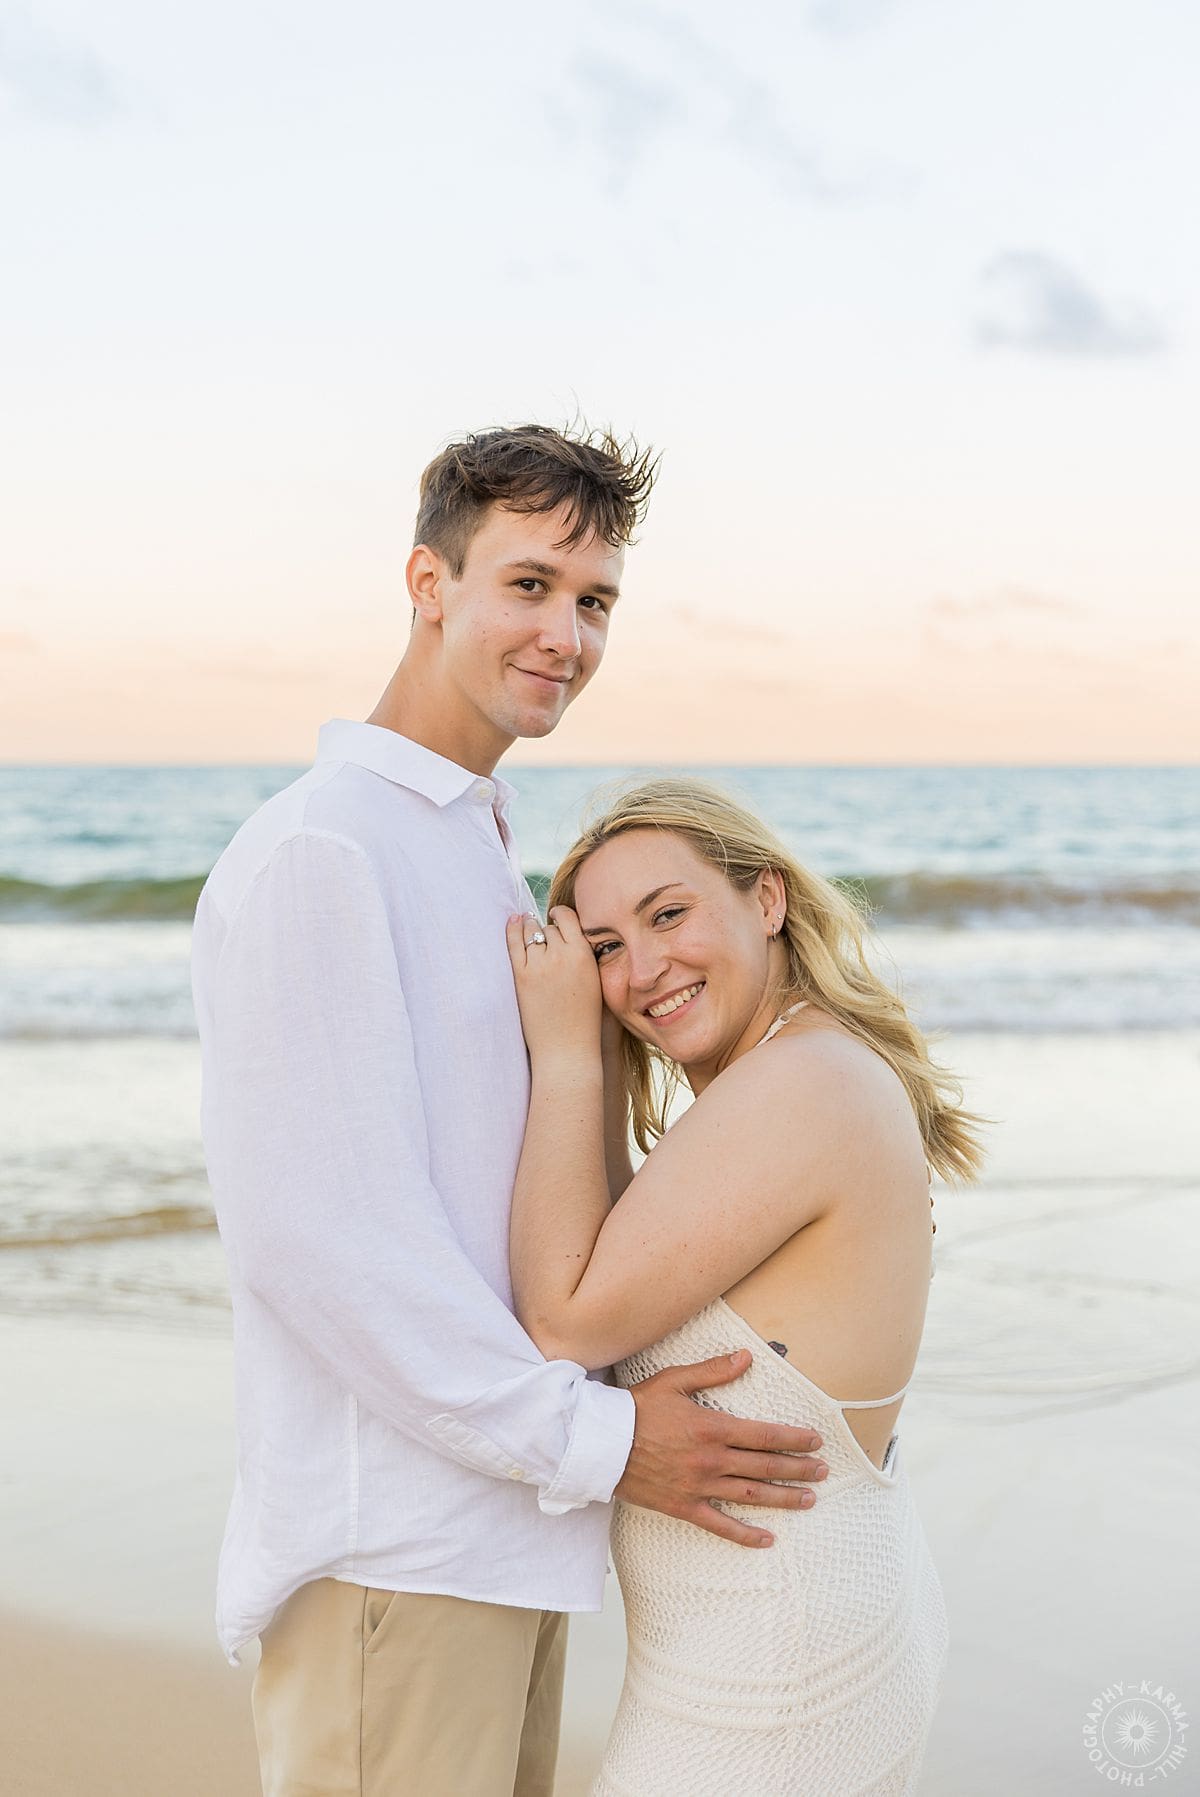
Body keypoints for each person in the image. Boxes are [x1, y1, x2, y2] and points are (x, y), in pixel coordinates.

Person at [190, 425, 829, 1797]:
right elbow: (321, 1246)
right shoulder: (326, 852)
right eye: (530, 585)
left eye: (594, 602)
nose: (567, 634)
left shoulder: (473, 844)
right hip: (394, 1560)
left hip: (499, 1538)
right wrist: (601, 1440)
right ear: (428, 581)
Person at [505, 776, 986, 1795]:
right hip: (783, 1647)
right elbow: (612, 1263)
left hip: (780, 1677)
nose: (642, 970)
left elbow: (564, 1319)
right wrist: (588, 1036)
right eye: (603, 951)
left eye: (668, 915)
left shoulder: (803, 1083)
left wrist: (564, 1055)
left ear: (765, 901)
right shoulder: (790, 1078)